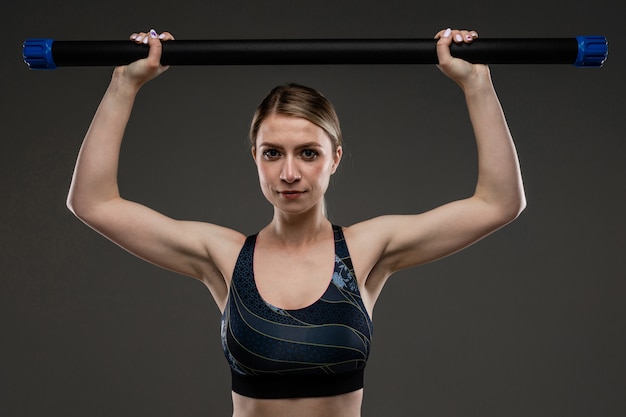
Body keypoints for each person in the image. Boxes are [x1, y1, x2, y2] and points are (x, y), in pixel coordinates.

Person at [67, 27, 526, 417]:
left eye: (308, 153)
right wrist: (123, 86)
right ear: (255, 157)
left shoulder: (368, 249)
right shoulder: (224, 256)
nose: (289, 173)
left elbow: (499, 202)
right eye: (273, 153)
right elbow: (93, 201)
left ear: (335, 159)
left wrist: (476, 86)